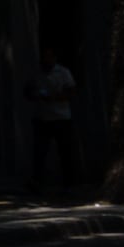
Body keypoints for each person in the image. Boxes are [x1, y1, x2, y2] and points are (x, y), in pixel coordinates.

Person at [30, 55, 81, 192]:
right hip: (42, 118)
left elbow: (71, 91)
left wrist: (54, 97)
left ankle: (69, 183)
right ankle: (37, 182)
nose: (46, 60)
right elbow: (28, 90)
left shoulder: (63, 72)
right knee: (39, 152)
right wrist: (35, 95)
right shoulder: (37, 73)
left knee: (65, 152)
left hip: (61, 117)